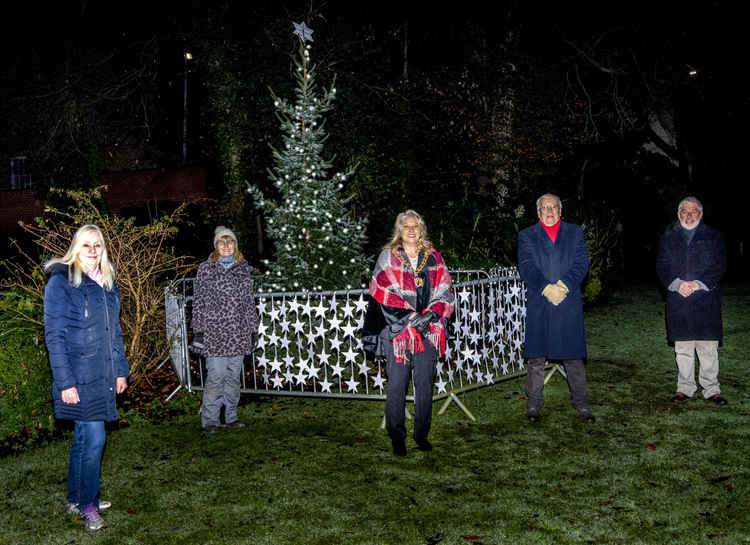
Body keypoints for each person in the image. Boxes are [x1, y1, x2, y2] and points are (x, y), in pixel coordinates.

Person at [43, 224, 129, 532]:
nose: (93, 251)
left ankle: (76, 497)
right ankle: (89, 507)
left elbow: (114, 332)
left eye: (98, 245)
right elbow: (54, 337)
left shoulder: (107, 282)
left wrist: (121, 369)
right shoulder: (60, 283)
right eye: (86, 245)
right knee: (94, 439)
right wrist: (65, 383)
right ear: (74, 249)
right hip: (78, 377)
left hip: (103, 374)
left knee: (82, 439)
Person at [365, 210, 455, 456]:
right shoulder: (387, 257)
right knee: (397, 386)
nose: (412, 230)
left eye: (416, 226)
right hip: (399, 333)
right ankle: (397, 437)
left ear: (422, 229)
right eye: (406, 226)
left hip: (428, 331)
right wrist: (410, 317)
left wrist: (431, 315)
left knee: (425, 385)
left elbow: (445, 291)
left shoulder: (434, 258)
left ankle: (421, 435)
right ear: (399, 230)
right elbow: (381, 293)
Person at [517, 193, 595, 424]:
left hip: (567, 302)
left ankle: (582, 407)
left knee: (574, 358)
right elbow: (527, 266)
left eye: (554, 207)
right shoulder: (526, 235)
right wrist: (545, 288)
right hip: (540, 302)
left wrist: (563, 286)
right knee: (536, 359)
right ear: (538, 212)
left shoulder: (574, 233)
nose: (549, 211)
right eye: (544, 208)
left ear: (560, 211)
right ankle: (533, 406)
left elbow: (581, 264)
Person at [656, 197, 727, 405]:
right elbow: (662, 265)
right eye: (684, 211)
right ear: (678, 214)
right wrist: (678, 285)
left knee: (708, 348)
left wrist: (697, 284)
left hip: (706, 298)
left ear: (701, 214)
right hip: (679, 300)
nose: (689, 215)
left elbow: (720, 266)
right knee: (683, 348)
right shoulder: (667, 237)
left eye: (694, 211)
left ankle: (711, 388)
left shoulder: (714, 236)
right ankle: (685, 388)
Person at [191, 226, 259, 434]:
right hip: (215, 334)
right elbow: (198, 302)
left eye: (230, 242)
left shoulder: (243, 269)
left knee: (232, 378)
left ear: (235, 245)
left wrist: (253, 330)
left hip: (238, 333)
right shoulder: (205, 269)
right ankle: (210, 420)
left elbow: (249, 302)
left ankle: (231, 417)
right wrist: (199, 332)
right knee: (216, 378)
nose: (227, 245)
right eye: (222, 242)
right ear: (216, 246)